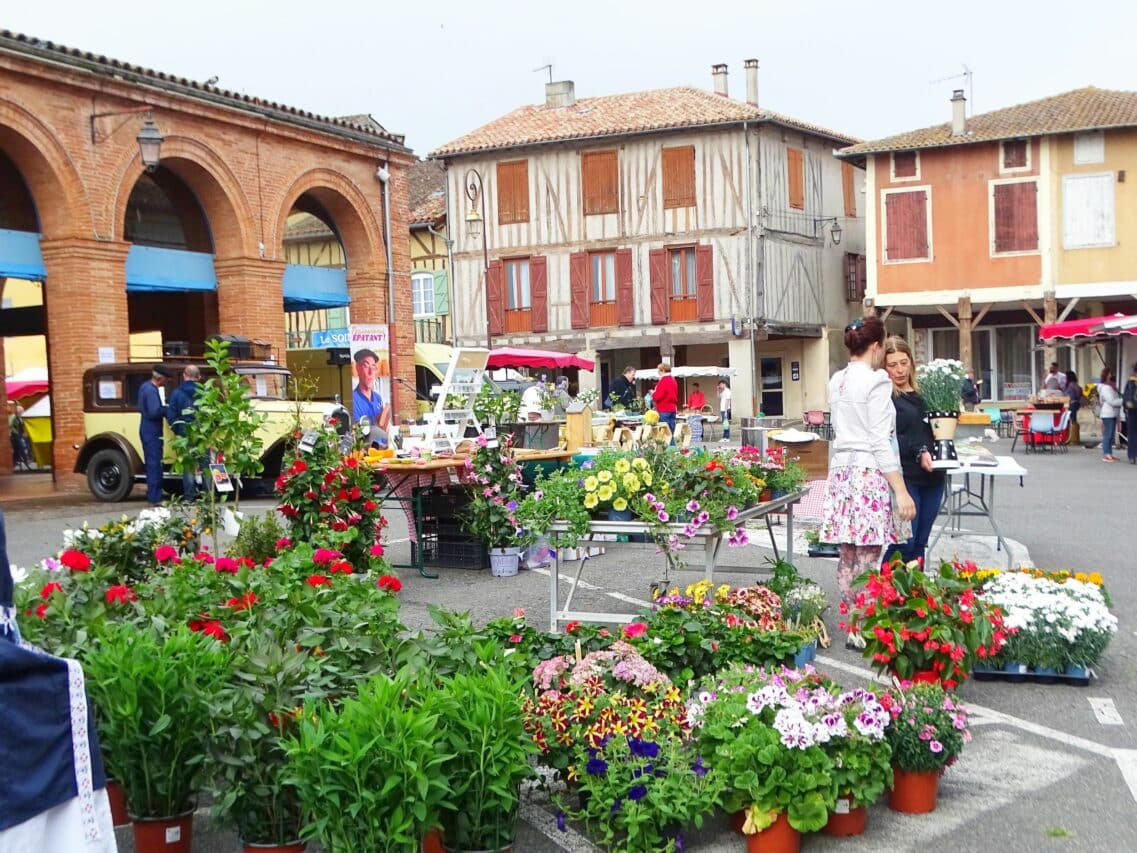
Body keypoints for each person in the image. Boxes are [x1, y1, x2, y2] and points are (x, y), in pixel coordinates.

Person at [819, 317, 916, 648]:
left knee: (847, 554)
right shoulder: (877, 382)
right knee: (870, 556)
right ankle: (862, 626)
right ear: (876, 346)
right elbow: (878, 441)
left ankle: (852, 624)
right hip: (867, 472)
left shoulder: (837, 380)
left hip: (842, 471)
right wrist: (901, 491)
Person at [884, 337, 946, 567]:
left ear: (911, 361)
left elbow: (936, 430)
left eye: (903, 362)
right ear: (884, 368)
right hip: (906, 477)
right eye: (892, 365)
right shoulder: (886, 398)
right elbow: (889, 437)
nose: (899, 370)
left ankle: (913, 598)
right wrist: (919, 450)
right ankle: (882, 597)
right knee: (904, 543)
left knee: (920, 543)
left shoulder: (926, 394)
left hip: (934, 476)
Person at [167, 364, 204, 501]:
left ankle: (189, 496)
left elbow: (171, 416)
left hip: (184, 432)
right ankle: (206, 495)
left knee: (188, 465)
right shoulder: (204, 393)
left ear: (184, 375)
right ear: (199, 377)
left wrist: (178, 430)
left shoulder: (177, 393)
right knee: (205, 465)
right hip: (201, 433)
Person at [139, 364, 172, 506]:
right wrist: (167, 410)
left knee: (153, 463)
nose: (166, 382)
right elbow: (154, 411)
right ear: (161, 378)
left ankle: (154, 494)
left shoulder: (144, 387)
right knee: (154, 464)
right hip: (151, 430)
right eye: (166, 379)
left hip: (147, 428)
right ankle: (154, 497)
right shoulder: (151, 391)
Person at [351, 348, 390, 436]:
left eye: (373, 366)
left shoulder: (377, 397)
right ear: (357, 368)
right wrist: (384, 413)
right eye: (366, 366)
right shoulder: (353, 400)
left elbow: (382, 426)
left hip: (382, 446)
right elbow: (360, 432)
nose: (370, 372)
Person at [1098, 367, 1122, 462]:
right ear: (1106, 375)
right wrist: (1123, 401)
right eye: (1109, 374)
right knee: (1108, 434)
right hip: (1108, 413)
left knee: (1111, 434)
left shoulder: (1111, 387)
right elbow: (1111, 401)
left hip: (1112, 413)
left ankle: (1110, 454)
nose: (1111, 376)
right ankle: (1106, 454)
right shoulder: (1106, 388)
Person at [652, 363, 679, 443]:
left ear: (663, 370)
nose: (658, 372)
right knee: (671, 431)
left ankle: (668, 449)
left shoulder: (663, 380)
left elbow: (657, 396)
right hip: (672, 408)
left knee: (665, 432)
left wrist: (653, 393)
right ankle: (673, 449)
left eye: (659, 370)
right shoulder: (673, 380)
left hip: (664, 409)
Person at [8, 404, 32, 471]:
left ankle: (13, 464)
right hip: (15, 436)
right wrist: (14, 430)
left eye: (22, 411)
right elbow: (9, 424)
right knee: (21, 449)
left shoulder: (20, 418)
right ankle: (26, 463)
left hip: (19, 435)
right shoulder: (13, 417)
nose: (22, 412)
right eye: (21, 411)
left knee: (17, 451)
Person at [1063, 370, 1083, 446]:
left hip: (1073, 403)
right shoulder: (1068, 384)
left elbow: (1078, 392)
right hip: (1070, 403)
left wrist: (1076, 398)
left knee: (1072, 420)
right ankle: (1071, 437)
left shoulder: (1072, 384)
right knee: (1071, 420)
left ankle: (1073, 438)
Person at [1122, 363, 1137, 464]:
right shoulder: (1132, 381)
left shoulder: (1130, 381)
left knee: (1132, 434)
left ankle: (1132, 455)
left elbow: (1125, 397)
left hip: (1132, 410)